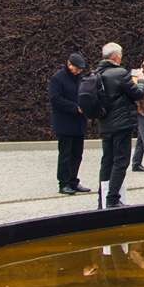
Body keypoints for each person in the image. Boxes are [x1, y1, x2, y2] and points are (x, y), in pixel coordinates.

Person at [94, 42, 144, 208]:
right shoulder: (120, 73)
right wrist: (140, 81)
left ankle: (102, 200)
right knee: (121, 161)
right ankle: (112, 199)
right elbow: (138, 94)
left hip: (105, 124)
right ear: (116, 57)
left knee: (107, 161)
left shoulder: (97, 73)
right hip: (121, 124)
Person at [49, 52, 88, 195]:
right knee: (65, 154)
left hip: (79, 122)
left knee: (77, 154)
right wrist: (74, 107)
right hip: (64, 122)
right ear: (69, 64)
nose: (78, 71)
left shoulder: (81, 78)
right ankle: (63, 183)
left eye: (80, 69)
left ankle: (73, 181)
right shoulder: (57, 78)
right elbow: (55, 99)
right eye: (76, 68)